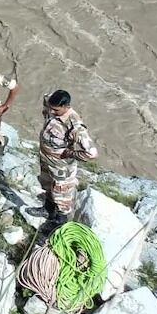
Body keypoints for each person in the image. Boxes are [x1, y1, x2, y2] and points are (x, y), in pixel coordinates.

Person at [32, 89, 98, 220]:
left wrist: (72, 153)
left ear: (65, 107)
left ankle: (59, 223)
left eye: (56, 110)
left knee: (61, 196)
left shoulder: (74, 125)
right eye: (50, 108)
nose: (52, 112)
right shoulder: (51, 104)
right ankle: (48, 210)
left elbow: (92, 153)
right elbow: (47, 96)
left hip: (61, 167)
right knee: (48, 186)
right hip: (47, 160)